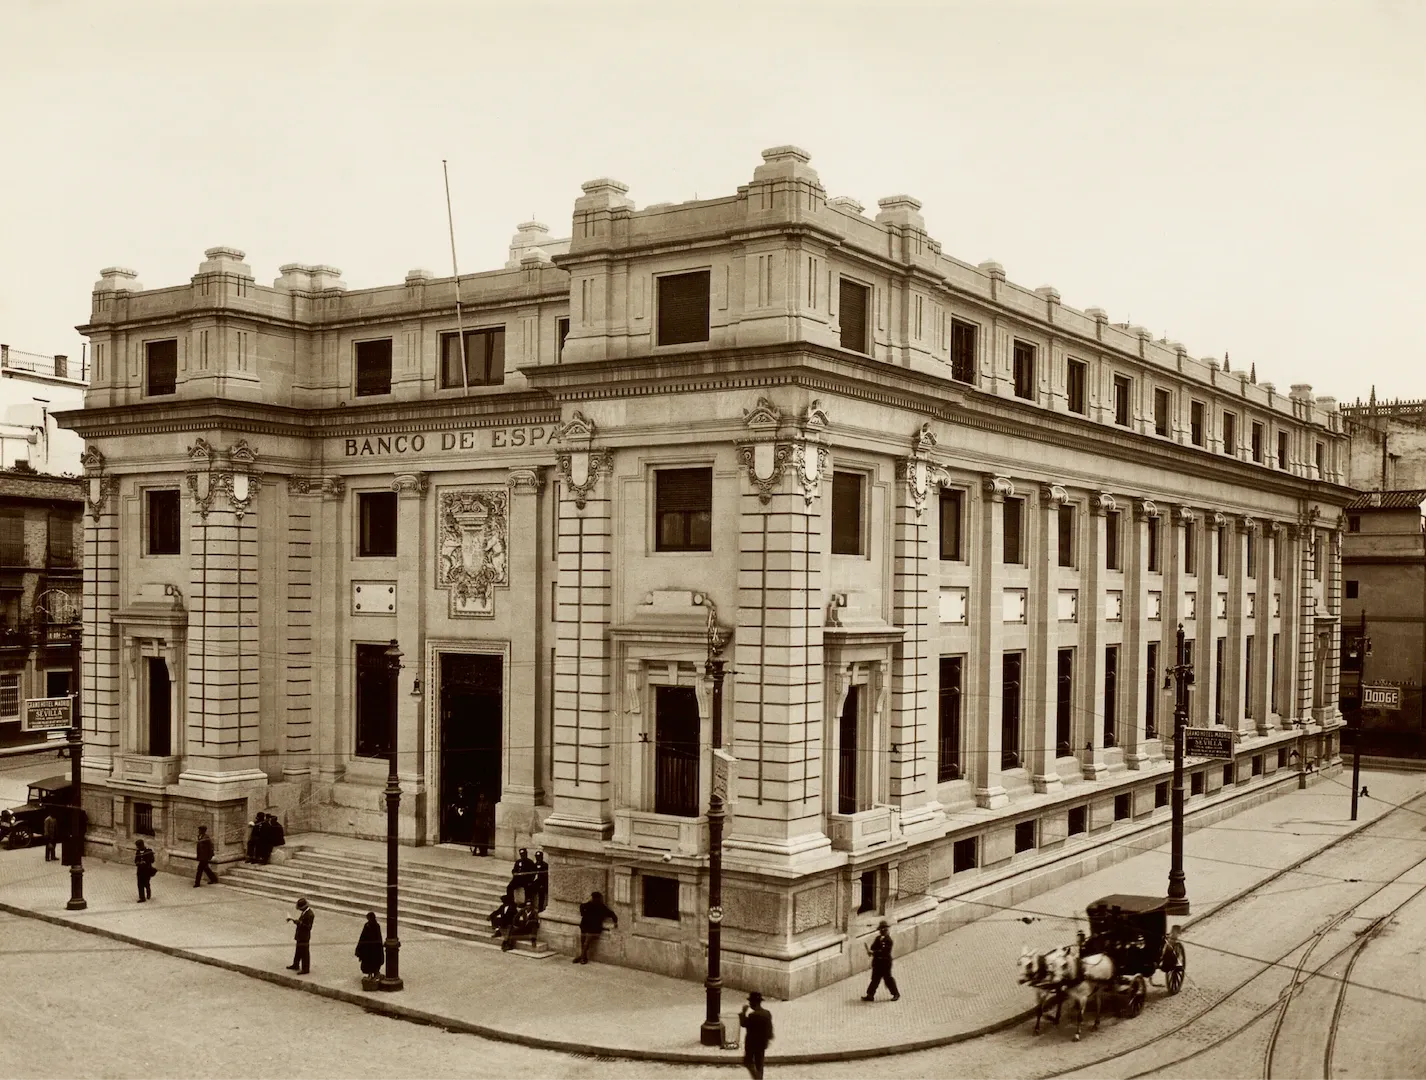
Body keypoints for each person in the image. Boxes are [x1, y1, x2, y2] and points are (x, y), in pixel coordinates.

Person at [575, 890, 618, 964]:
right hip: (587, 927)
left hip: (592, 928)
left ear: (593, 898)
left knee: (585, 943)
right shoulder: (597, 906)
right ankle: (583, 957)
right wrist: (615, 921)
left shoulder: (598, 906)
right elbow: (612, 914)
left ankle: (582, 957)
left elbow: (582, 910)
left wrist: (615, 921)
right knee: (583, 942)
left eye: (591, 897)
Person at [739, 991, 774, 1080]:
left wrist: (743, 1012)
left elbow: (743, 1023)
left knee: (748, 1061)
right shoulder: (767, 1013)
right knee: (759, 1064)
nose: (749, 1003)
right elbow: (770, 1030)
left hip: (751, 1044)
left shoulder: (752, 1015)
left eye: (750, 1002)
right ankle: (759, 1077)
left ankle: (757, 1078)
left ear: (753, 1002)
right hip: (762, 1044)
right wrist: (768, 1039)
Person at [863, 920, 899, 1001]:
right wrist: (871, 951)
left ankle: (896, 994)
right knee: (875, 979)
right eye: (881, 930)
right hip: (877, 963)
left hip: (885, 963)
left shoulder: (889, 941)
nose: (883, 931)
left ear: (887, 930)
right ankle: (870, 995)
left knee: (888, 979)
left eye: (885, 930)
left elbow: (884, 952)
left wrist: (874, 952)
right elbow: (873, 947)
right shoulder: (878, 938)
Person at [286, 897, 314, 974]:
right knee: (298, 951)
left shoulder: (310, 914)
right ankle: (296, 964)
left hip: (304, 936)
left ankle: (305, 969)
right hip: (300, 935)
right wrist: (294, 921)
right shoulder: (304, 912)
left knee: (305, 953)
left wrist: (299, 923)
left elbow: (308, 927)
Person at [355, 911, 384, 980]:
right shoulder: (368, 926)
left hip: (372, 949)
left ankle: (374, 974)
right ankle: (371, 974)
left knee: (372, 963)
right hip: (369, 949)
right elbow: (362, 937)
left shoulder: (375, 926)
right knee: (369, 963)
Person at [471, 790, 494, 857]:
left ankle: (484, 852)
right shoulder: (478, 803)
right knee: (478, 838)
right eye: (480, 795)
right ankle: (479, 850)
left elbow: (489, 814)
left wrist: (488, 822)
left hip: (484, 823)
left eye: (482, 795)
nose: (481, 797)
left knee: (484, 838)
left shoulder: (487, 804)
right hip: (478, 823)